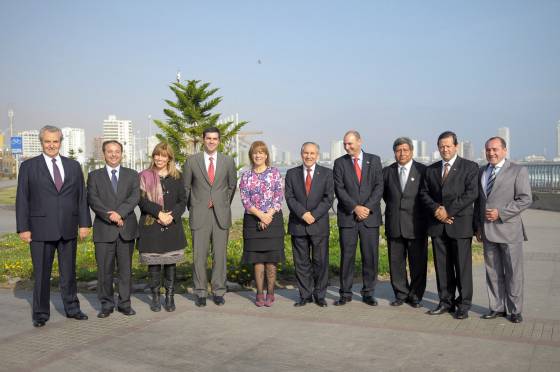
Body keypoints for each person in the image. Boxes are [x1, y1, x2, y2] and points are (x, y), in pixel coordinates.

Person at [16, 125, 91, 327]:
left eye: (55, 141)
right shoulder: (29, 167)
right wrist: (23, 228)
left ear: (60, 142)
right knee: (41, 274)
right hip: (40, 229)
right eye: (47, 141)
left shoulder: (73, 166)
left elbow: (81, 197)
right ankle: (40, 314)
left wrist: (84, 223)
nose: (51, 145)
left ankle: (72, 309)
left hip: (68, 228)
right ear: (42, 142)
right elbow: (22, 199)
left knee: (69, 272)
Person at [420, 131, 479, 319]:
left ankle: (463, 304)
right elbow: (423, 193)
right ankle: (445, 301)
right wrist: (438, 210)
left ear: (456, 146)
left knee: (462, 267)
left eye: (448, 146)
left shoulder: (470, 167)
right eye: (441, 146)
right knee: (442, 266)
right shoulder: (431, 170)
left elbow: (471, 193)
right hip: (438, 225)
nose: (445, 149)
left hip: (460, 225)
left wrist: (449, 211)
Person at [474, 137, 532, 323]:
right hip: (487, 230)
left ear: (505, 150)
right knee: (493, 272)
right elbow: (479, 203)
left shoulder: (518, 170)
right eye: (488, 149)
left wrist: (501, 213)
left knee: (513, 273)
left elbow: (525, 199)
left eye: (495, 149)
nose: (491, 153)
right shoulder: (481, 171)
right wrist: (477, 228)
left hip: (509, 230)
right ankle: (497, 307)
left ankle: (515, 310)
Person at [183, 127, 237, 307]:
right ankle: (200, 292)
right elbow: (186, 188)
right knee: (199, 255)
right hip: (200, 214)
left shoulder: (228, 161)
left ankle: (219, 291)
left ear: (219, 141)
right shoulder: (192, 161)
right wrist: (196, 205)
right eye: (208, 138)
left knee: (220, 255)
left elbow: (231, 186)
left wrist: (221, 202)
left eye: (215, 138)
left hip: (221, 213)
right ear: (203, 140)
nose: (211, 141)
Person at [87, 140, 140, 318]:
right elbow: (93, 199)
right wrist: (110, 216)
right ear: (104, 154)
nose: (113, 154)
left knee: (125, 270)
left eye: (117, 151)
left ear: (122, 153)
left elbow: (134, 197)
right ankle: (106, 304)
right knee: (104, 271)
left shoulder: (132, 175)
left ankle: (125, 304)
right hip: (104, 229)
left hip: (126, 229)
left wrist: (119, 213)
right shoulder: (94, 176)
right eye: (110, 151)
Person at [333, 130, 383, 306]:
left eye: (350, 143)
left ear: (360, 142)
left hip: (370, 218)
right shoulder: (340, 163)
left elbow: (379, 187)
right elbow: (339, 189)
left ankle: (368, 292)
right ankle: (345, 293)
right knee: (347, 257)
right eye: (345, 144)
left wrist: (366, 208)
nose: (347, 147)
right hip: (348, 218)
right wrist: (355, 207)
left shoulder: (374, 160)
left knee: (370, 257)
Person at [137, 143, 187, 312]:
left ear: (169, 158)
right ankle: (156, 297)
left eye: (163, 156)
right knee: (154, 265)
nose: (160, 158)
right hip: (151, 226)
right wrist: (159, 213)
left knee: (170, 264)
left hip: (172, 225)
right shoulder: (144, 176)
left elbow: (183, 201)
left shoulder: (178, 176)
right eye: (157, 155)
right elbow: (141, 201)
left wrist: (171, 216)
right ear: (153, 156)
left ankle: (170, 297)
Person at [285, 142, 334, 307]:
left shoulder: (327, 173)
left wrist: (313, 214)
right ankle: (305, 295)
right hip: (298, 224)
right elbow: (289, 197)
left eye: (312, 153)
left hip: (318, 224)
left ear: (317, 155)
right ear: (301, 154)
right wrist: (303, 213)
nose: (309, 156)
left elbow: (328, 198)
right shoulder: (291, 173)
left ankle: (320, 295)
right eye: (306, 153)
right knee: (301, 263)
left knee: (320, 262)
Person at [382, 137, 428, 308]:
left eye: (405, 150)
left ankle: (416, 295)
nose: (402, 153)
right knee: (396, 263)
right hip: (394, 224)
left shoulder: (423, 170)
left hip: (417, 225)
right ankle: (401, 294)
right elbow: (386, 196)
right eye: (398, 150)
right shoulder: (387, 171)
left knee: (418, 263)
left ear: (411, 151)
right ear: (394, 152)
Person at [239, 141, 285, 307]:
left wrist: (268, 216)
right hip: (253, 220)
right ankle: (259, 293)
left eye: (261, 152)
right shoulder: (246, 175)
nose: (258, 155)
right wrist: (260, 215)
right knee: (257, 260)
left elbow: (279, 196)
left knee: (271, 261)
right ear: (251, 155)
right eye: (255, 153)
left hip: (273, 220)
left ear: (266, 155)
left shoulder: (275, 173)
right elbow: (244, 198)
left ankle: (271, 293)